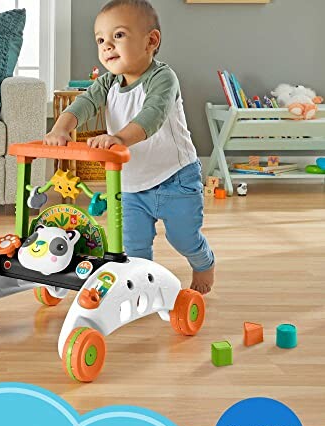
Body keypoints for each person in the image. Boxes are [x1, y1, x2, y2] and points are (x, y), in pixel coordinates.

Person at [44, 0, 214, 294]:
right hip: (132, 185)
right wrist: (61, 128)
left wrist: (120, 139)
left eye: (118, 35)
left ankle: (203, 262)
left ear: (151, 41)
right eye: (100, 40)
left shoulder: (162, 78)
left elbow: (153, 115)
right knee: (134, 246)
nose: (107, 46)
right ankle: (142, 289)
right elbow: (83, 104)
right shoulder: (107, 82)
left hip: (176, 178)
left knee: (183, 238)